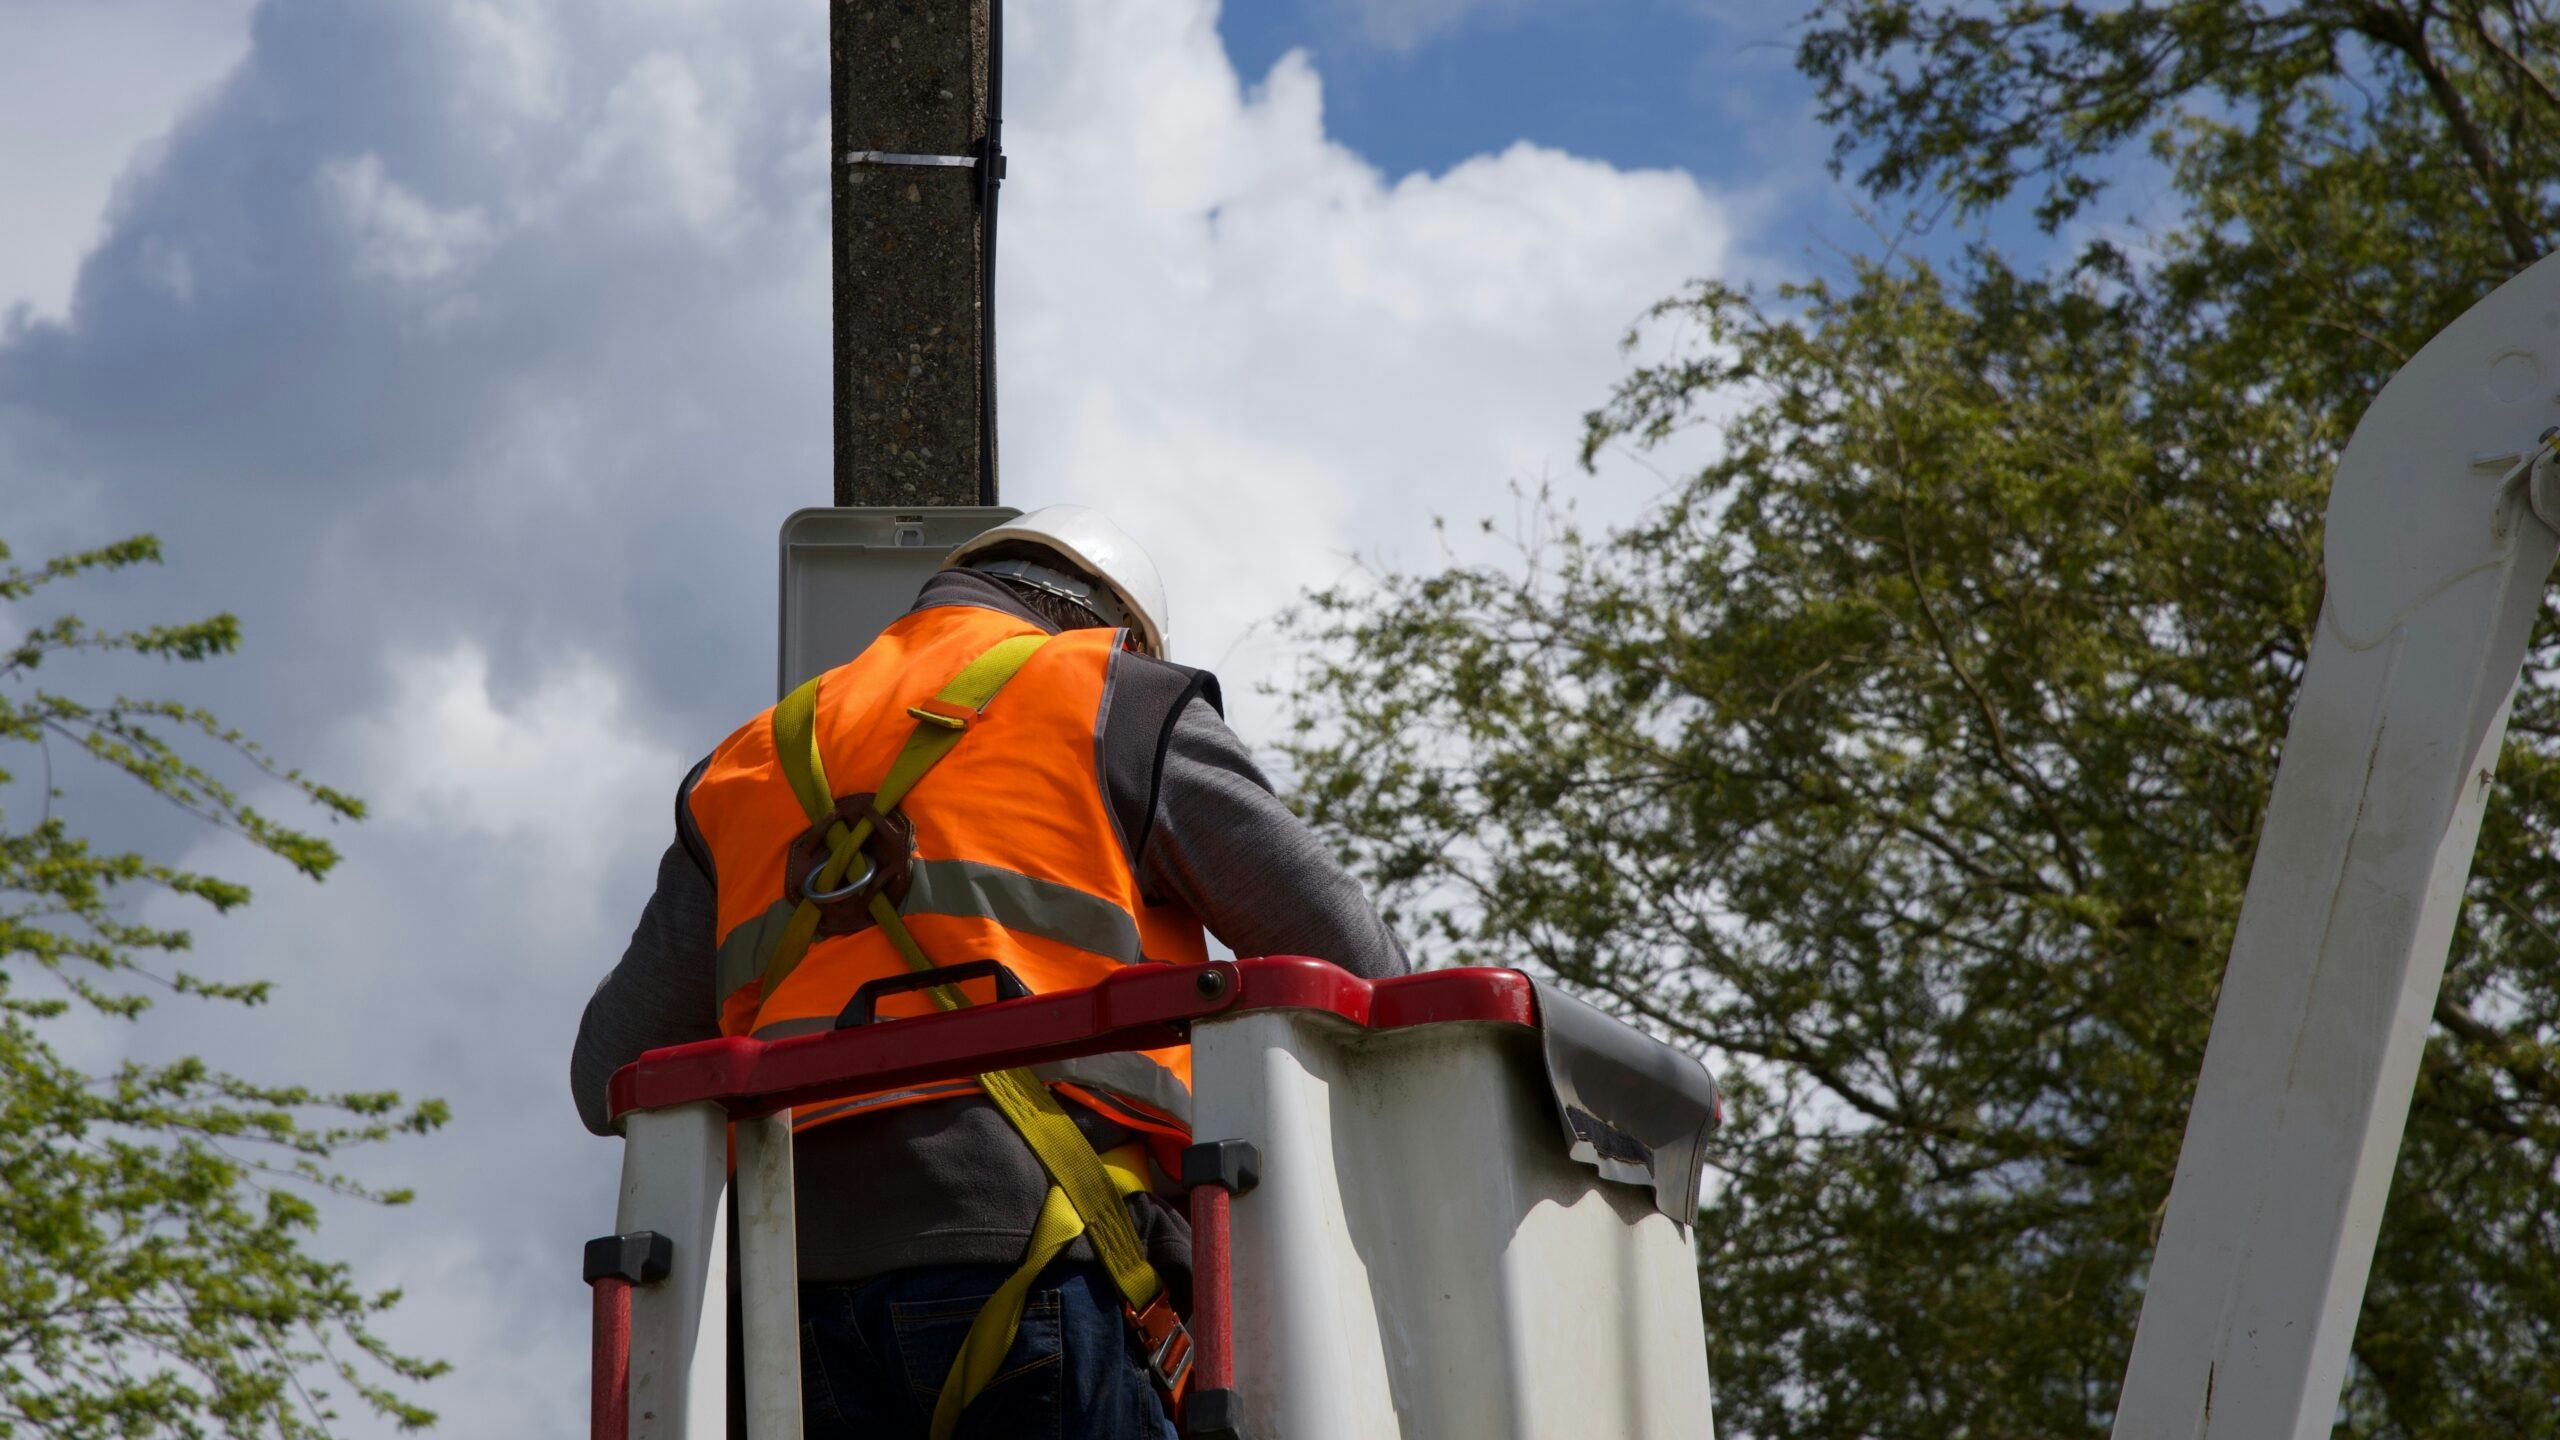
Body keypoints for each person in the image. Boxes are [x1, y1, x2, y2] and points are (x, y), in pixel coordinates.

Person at [571, 505, 1407, 1440]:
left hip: (779, 1302)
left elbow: (609, 1070)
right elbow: (1361, 967)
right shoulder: (1117, 697)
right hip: (1045, 1252)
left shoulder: (747, 762)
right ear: (1117, 630)